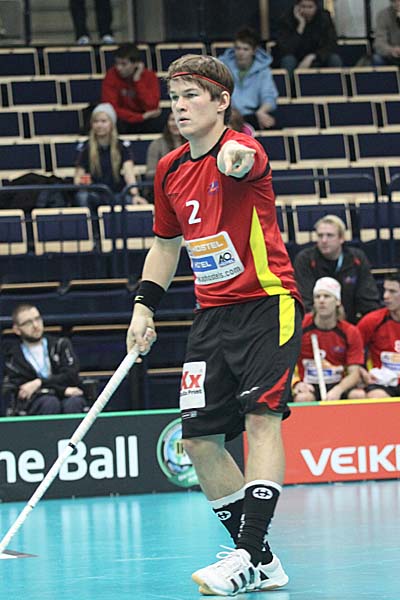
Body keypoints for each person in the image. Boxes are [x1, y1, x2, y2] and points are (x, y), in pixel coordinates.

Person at [126, 53, 302, 596]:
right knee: (199, 441)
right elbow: (166, 245)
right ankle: (264, 562)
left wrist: (235, 158)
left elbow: (244, 160)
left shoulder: (241, 148)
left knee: (261, 420)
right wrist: (143, 307)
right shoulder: (170, 168)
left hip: (267, 303)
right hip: (211, 314)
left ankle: (245, 555)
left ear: (222, 102)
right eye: (174, 98)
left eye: (191, 96)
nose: (179, 107)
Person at [293, 214, 380, 324]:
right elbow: (306, 300)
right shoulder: (305, 259)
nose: (324, 240)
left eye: (329, 235)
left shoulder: (357, 258)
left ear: (341, 238)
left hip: (352, 323)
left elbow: (368, 297)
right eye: (320, 235)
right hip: (317, 324)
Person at [3, 304, 87, 415]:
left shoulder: (60, 344)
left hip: (68, 396)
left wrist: (39, 383)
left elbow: (70, 376)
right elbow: (23, 389)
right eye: (28, 323)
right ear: (17, 330)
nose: (35, 325)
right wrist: (62, 390)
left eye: (37, 319)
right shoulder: (12, 357)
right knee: (50, 402)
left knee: (74, 403)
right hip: (36, 402)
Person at [292, 277, 365, 402]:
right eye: (317, 296)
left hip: (338, 384)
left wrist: (338, 390)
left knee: (358, 395)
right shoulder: (299, 327)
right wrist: (296, 383)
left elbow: (354, 373)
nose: (321, 300)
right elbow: (283, 362)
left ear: (337, 301)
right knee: (303, 398)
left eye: (327, 296)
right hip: (308, 385)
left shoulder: (350, 331)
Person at [74, 103, 148, 211]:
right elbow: (77, 178)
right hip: (94, 194)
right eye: (96, 121)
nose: (99, 125)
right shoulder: (85, 147)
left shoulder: (122, 146)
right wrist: (83, 182)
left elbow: (129, 173)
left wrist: (135, 195)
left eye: (103, 121)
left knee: (130, 200)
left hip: (116, 194)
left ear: (112, 124)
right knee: (82, 197)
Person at [219, 27, 278, 130]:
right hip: (228, 115)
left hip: (252, 115)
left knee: (270, 122)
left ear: (254, 51)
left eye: (245, 49)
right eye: (238, 48)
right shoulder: (222, 67)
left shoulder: (264, 71)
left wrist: (262, 111)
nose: (241, 53)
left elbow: (269, 97)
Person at [101, 43, 163, 134]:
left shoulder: (150, 76)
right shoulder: (111, 75)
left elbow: (152, 106)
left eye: (124, 64)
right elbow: (110, 108)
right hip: (123, 120)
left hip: (146, 119)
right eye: (117, 63)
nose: (119, 68)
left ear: (136, 64)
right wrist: (140, 117)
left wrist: (137, 81)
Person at [357, 271, 400, 399]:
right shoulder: (372, 321)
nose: (385, 296)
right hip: (382, 383)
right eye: (385, 290)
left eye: (392, 292)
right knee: (375, 396)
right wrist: (362, 371)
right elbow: (352, 351)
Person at [276, 0, 342, 82]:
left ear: (316, 7)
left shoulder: (324, 17)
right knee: (288, 61)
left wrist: (313, 57)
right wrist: (300, 27)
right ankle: (291, 89)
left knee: (334, 59)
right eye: (303, 6)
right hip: (296, 58)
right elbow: (286, 48)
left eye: (310, 7)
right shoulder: (286, 19)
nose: (306, 10)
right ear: (297, 7)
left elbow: (331, 43)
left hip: (318, 57)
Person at [145, 112, 185, 182]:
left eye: (179, 120)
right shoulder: (157, 144)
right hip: (165, 184)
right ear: (167, 123)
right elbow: (150, 173)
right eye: (172, 120)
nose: (175, 124)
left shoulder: (193, 143)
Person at [372, 0, 400, 66]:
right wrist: (391, 50)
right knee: (377, 59)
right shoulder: (383, 15)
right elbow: (379, 42)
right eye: (395, 1)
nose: (398, 3)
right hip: (391, 55)